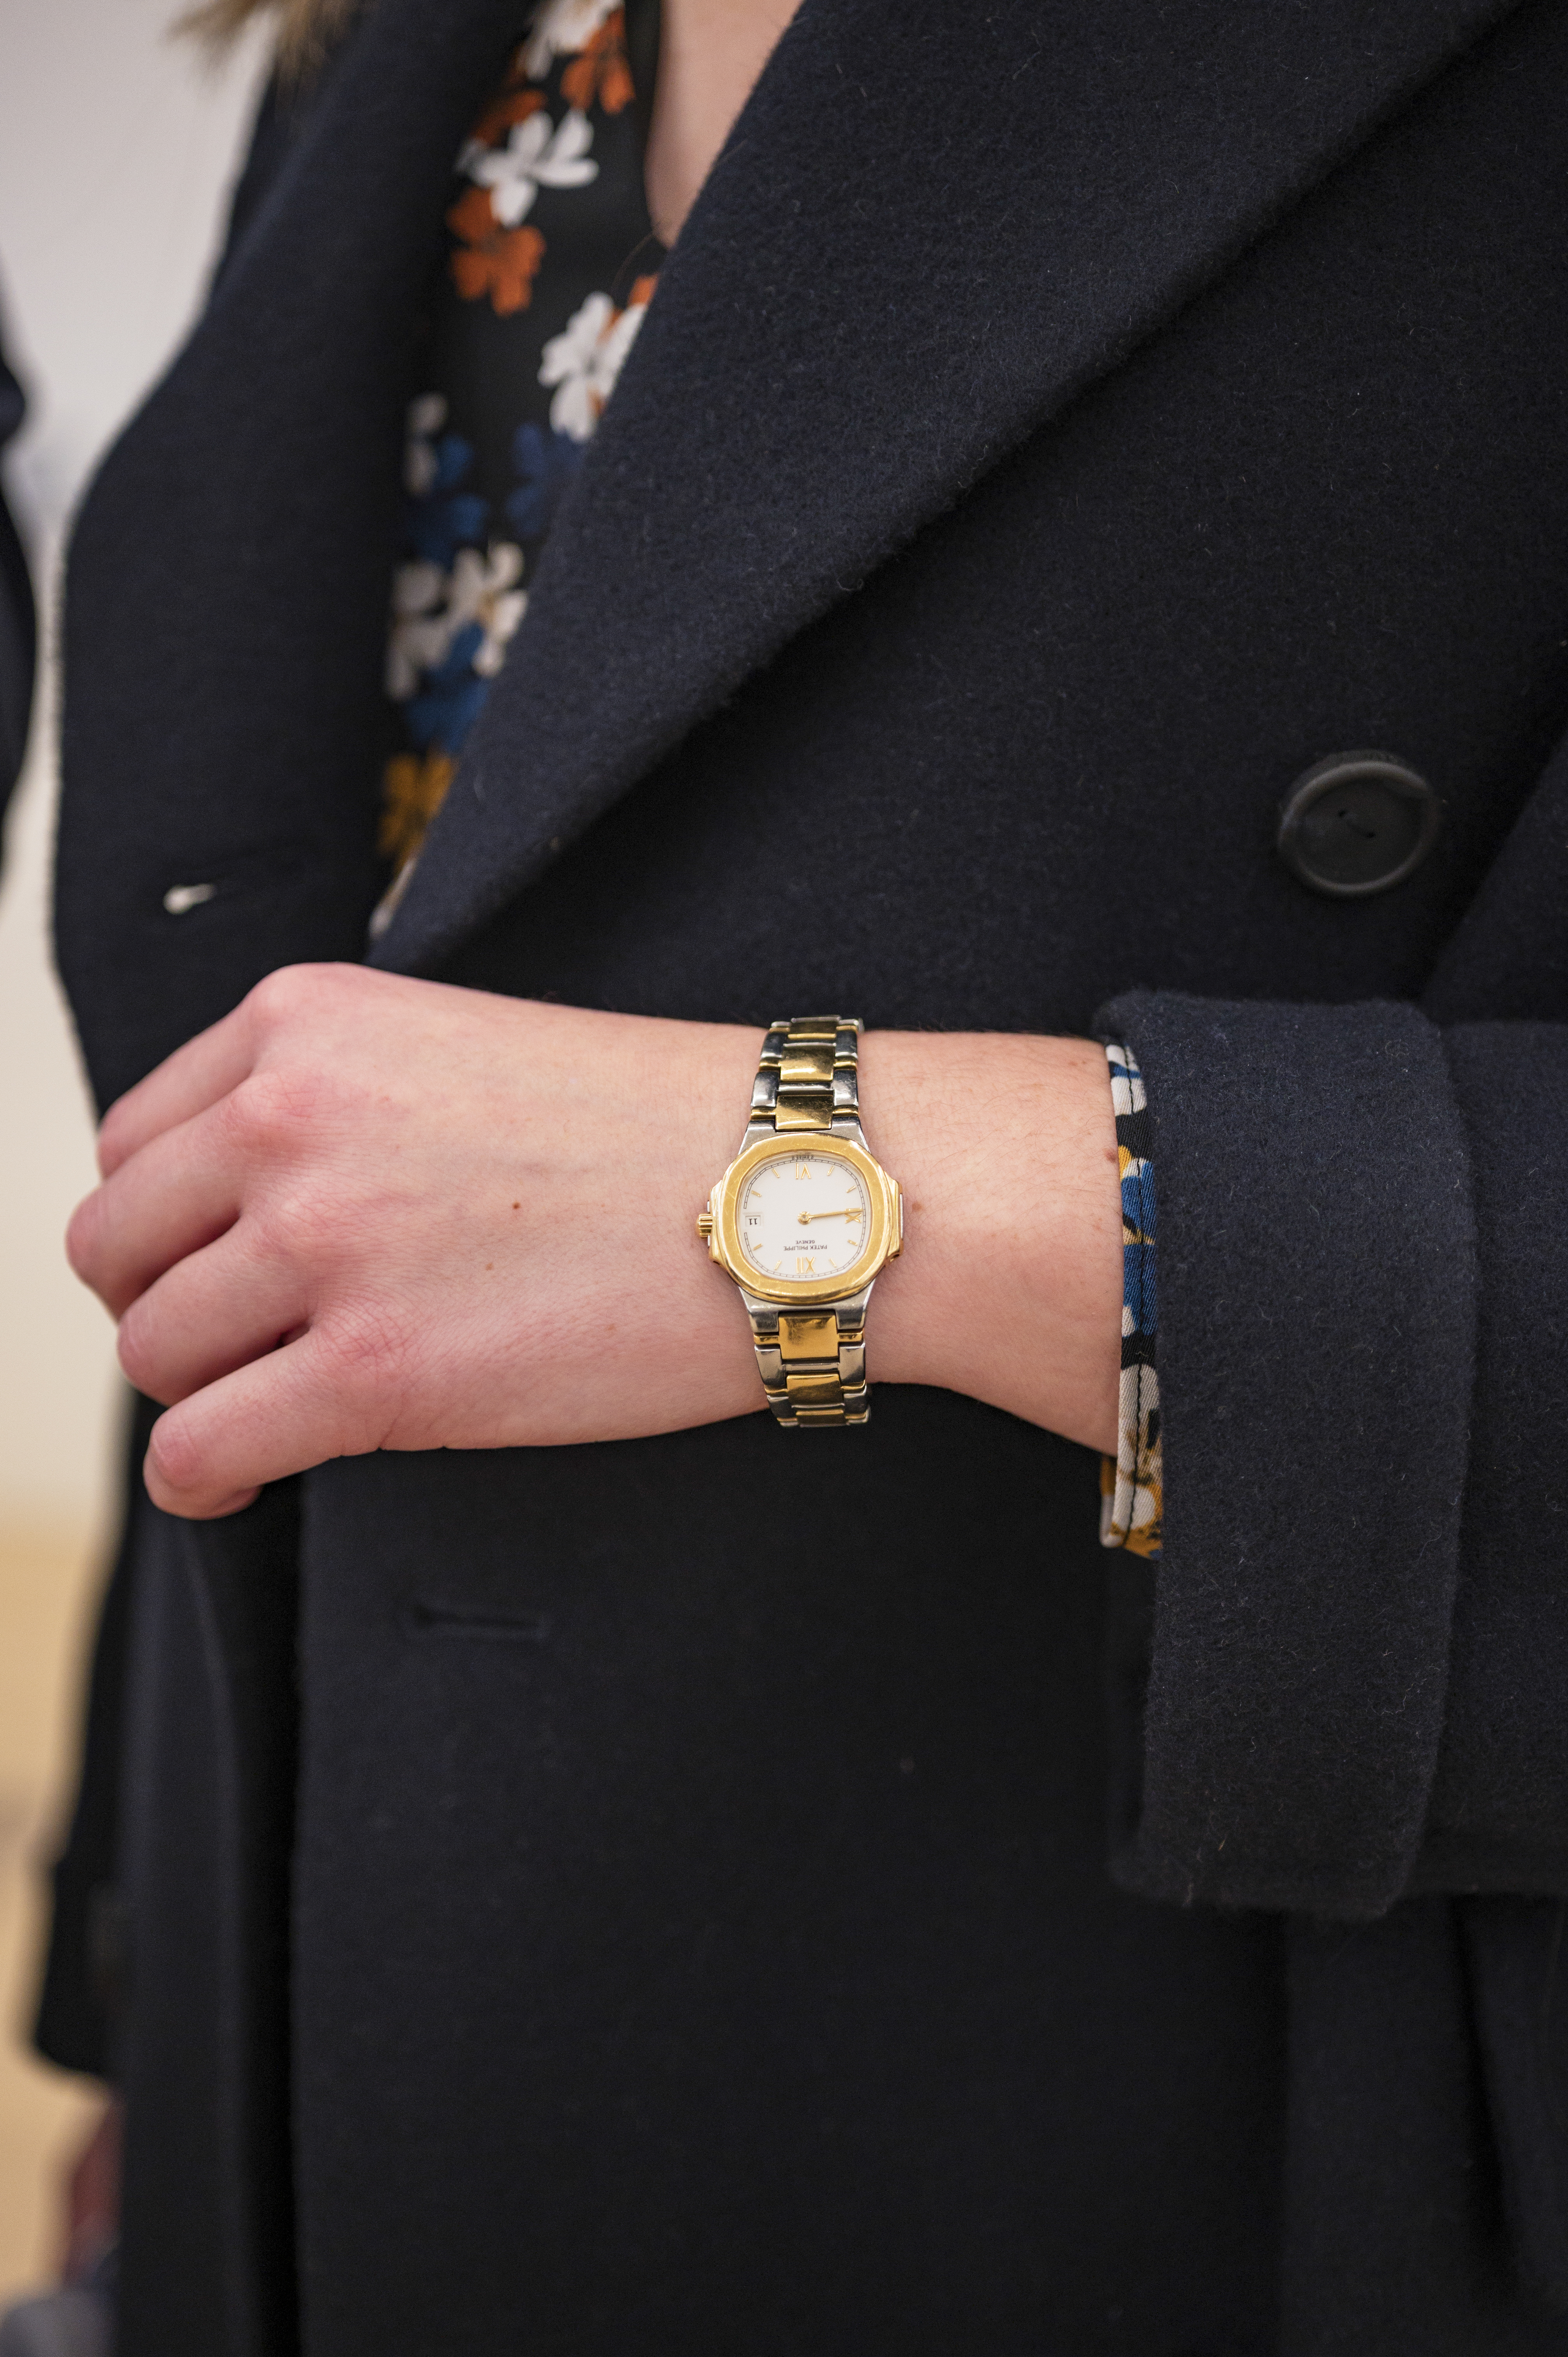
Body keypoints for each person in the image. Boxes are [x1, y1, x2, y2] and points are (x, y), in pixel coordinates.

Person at [36, 0, 1568, 2345]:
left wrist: (838, 1187)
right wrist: (165, 1986)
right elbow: (297, 1143)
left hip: (1205, 2118)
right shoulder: (408, 50)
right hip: (350, 2069)